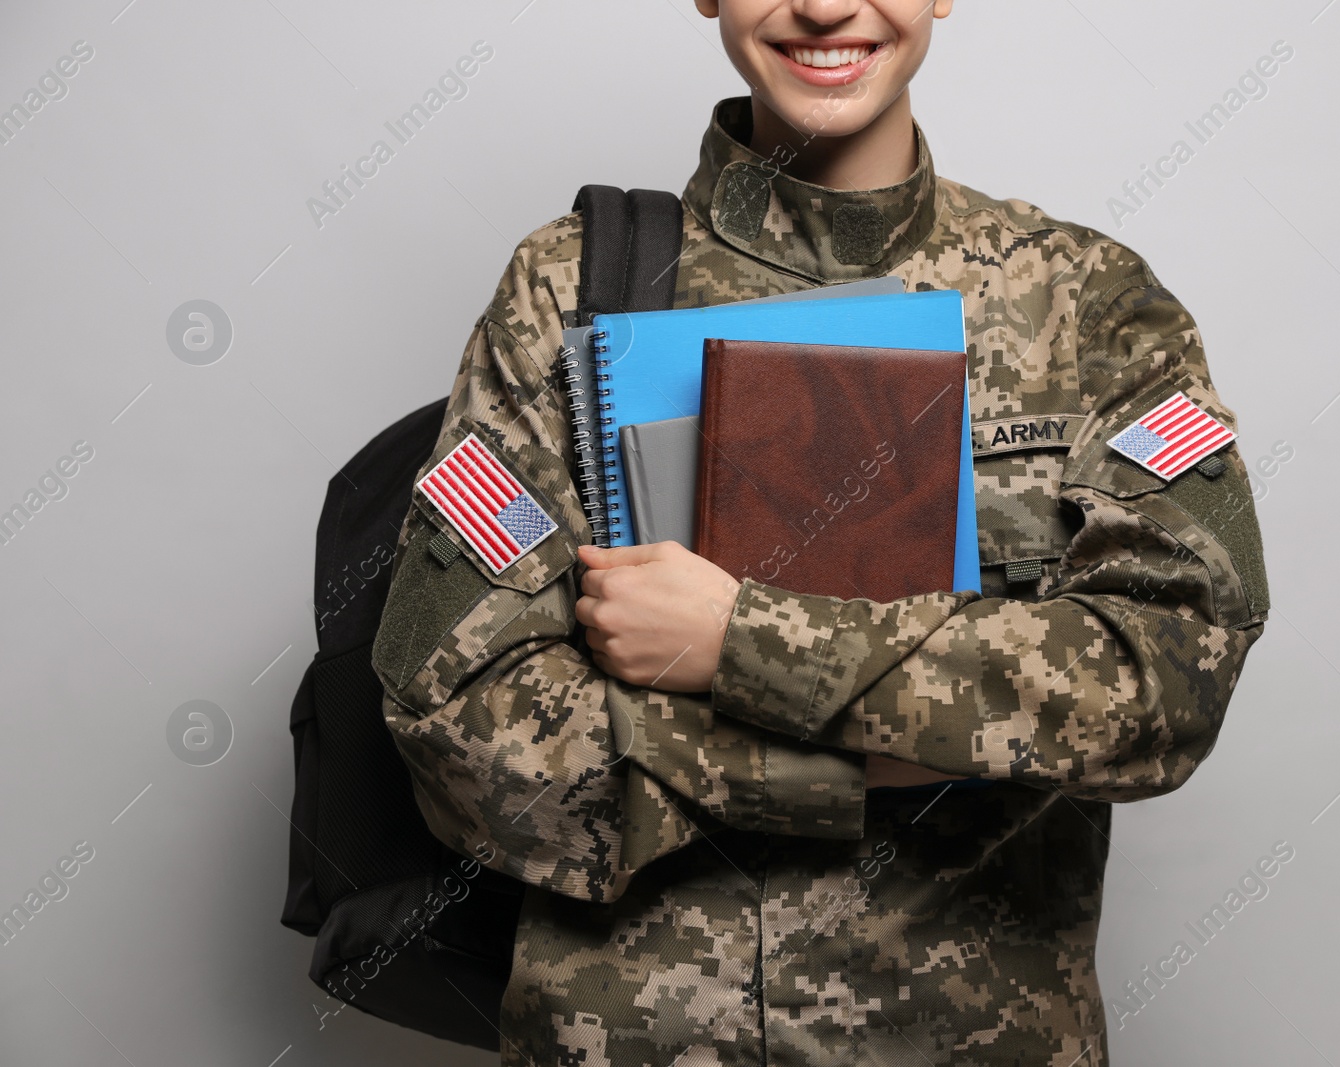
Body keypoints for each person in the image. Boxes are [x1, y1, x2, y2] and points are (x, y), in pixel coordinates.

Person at [371, 1, 1271, 1063]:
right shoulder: (562, 292)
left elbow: (1168, 676)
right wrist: (866, 758)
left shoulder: (1089, 304)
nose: (826, 4)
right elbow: (453, 714)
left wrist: (739, 639)